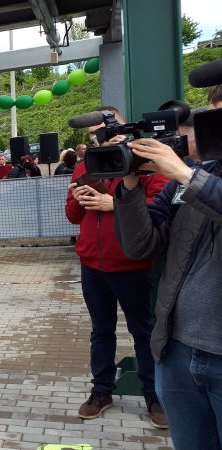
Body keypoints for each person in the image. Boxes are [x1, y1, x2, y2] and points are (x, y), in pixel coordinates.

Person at [113, 80, 222, 448]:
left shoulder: (191, 178)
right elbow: (141, 245)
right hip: (177, 351)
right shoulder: (189, 181)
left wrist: (185, 173)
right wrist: (130, 182)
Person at [66, 105, 169, 429]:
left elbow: (162, 206)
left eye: (104, 130)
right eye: (92, 134)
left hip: (132, 264)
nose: (98, 138)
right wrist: (77, 198)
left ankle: (155, 397)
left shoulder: (144, 161)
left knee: (144, 333)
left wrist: (114, 204)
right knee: (101, 332)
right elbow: (72, 216)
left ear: (122, 128)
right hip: (92, 265)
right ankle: (101, 392)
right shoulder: (83, 165)